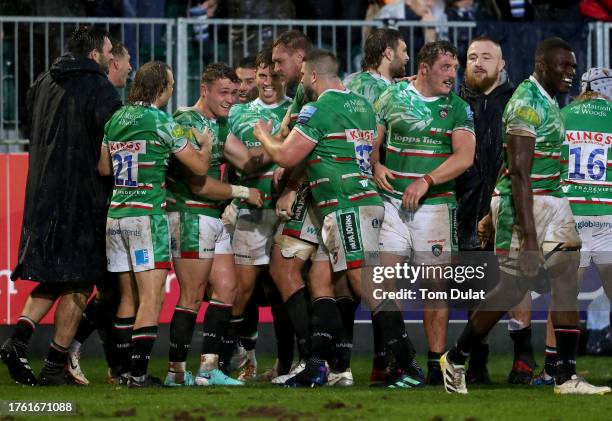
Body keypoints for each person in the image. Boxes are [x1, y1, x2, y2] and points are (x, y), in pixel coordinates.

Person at [441, 37, 611, 396]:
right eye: (564, 66)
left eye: (574, 67)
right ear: (541, 66)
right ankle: (455, 358)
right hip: (525, 203)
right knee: (510, 289)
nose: (571, 73)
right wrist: (530, 237)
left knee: (566, 281)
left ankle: (565, 377)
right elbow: (518, 173)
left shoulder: (549, 100)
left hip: (554, 198)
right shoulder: (525, 104)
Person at [254, 48, 424, 389]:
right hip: (356, 202)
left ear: (314, 76)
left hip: (346, 205)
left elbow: (287, 154)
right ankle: (317, 366)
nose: (302, 82)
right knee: (320, 281)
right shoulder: (361, 104)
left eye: (303, 76)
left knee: (366, 285)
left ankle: (407, 365)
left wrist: (263, 135)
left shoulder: (319, 108)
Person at [0, 26, 121, 386]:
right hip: (82, 198)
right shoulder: (101, 88)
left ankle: (17, 342)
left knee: (56, 275)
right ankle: (54, 365)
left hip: (41, 192)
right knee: (80, 283)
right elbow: (112, 144)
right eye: (109, 52)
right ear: (96, 55)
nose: (112, 58)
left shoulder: (40, 82)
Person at [100, 60, 212, 388]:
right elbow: (198, 166)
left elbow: (105, 168)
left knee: (127, 298)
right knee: (152, 298)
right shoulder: (161, 121)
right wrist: (204, 145)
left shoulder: (116, 118)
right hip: (147, 215)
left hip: (116, 215)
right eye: (172, 84)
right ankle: (138, 374)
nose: (173, 90)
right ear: (161, 88)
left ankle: (120, 371)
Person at [374, 40, 476, 385]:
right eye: (445, 67)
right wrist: (374, 165)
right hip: (391, 203)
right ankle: (400, 361)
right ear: (423, 68)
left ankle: (436, 364)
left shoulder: (459, 108)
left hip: (435, 206)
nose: (453, 74)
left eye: (455, 67)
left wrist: (426, 180)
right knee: (387, 283)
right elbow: (372, 141)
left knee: (435, 287)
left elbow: (464, 157)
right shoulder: (391, 97)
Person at [164, 62, 263, 387]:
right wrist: (242, 191)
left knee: (227, 290)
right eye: (224, 93)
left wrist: (282, 140)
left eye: (234, 94)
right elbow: (198, 185)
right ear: (204, 90)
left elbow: (248, 159)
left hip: (212, 218)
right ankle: (176, 372)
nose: (230, 100)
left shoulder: (219, 125)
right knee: (191, 295)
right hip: (189, 215)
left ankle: (208, 369)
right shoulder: (185, 122)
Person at [531, 67, 612, 386]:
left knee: (563, 297)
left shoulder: (560, 115)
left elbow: (545, 168)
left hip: (568, 216)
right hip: (606, 214)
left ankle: (554, 368)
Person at [65, 40, 134, 386]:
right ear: (114, 63)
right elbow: (104, 165)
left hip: (104, 208)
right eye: (125, 60)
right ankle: (71, 350)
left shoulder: (103, 98)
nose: (129, 67)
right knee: (111, 290)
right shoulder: (106, 99)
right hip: (104, 209)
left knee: (111, 292)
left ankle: (113, 366)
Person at [344, 26, 409, 381]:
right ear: (387, 53)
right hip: (375, 193)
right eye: (402, 50)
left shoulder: (351, 85)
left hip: (353, 193)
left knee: (353, 280)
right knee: (379, 281)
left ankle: (340, 363)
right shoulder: (387, 92)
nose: (407, 57)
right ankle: (386, 362)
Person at [226, 48, 293, 380]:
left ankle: (286, 363)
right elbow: (240, 158)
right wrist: (276, 143)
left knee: (285, 290)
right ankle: (241, 358)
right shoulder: (239, 114)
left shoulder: (295, 110)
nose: (267, 83)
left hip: (284, 212)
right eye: (262, 76)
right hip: (251, 212)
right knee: (243, 290)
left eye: (273, 76)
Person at [456, 36, 515, 384]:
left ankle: (522, 357)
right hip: (464, 205)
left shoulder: (516, 100)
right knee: (472, 288)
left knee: (513, 281)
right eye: (472, 57)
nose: (478, 63)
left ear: (502, 64)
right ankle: (475, 361)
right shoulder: (455, 101)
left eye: (487, 57)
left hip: (506, 202)